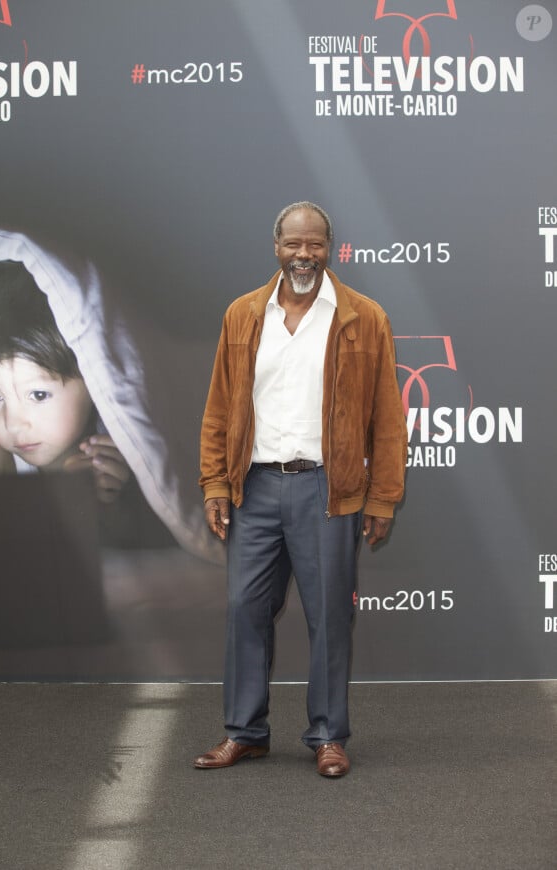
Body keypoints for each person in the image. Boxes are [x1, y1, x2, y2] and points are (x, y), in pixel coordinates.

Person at [195, 202, 407, 777]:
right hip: (256, 487)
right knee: (244, 609)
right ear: (276, 247)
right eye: (294, 244)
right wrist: (216, 482)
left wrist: (382, 496)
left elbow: (387, 418)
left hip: (328, 492)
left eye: (315, 244)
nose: (304, 255)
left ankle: (328, 736)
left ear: (330, 247)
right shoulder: (243, 315)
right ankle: (245, 732)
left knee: (331, 615)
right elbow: (219, 408)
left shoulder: (364, 317)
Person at [0, 260, 130, 503]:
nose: (14, 425)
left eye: (38, 395)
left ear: (92, 379)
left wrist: (110, 503)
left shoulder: (120, 440)